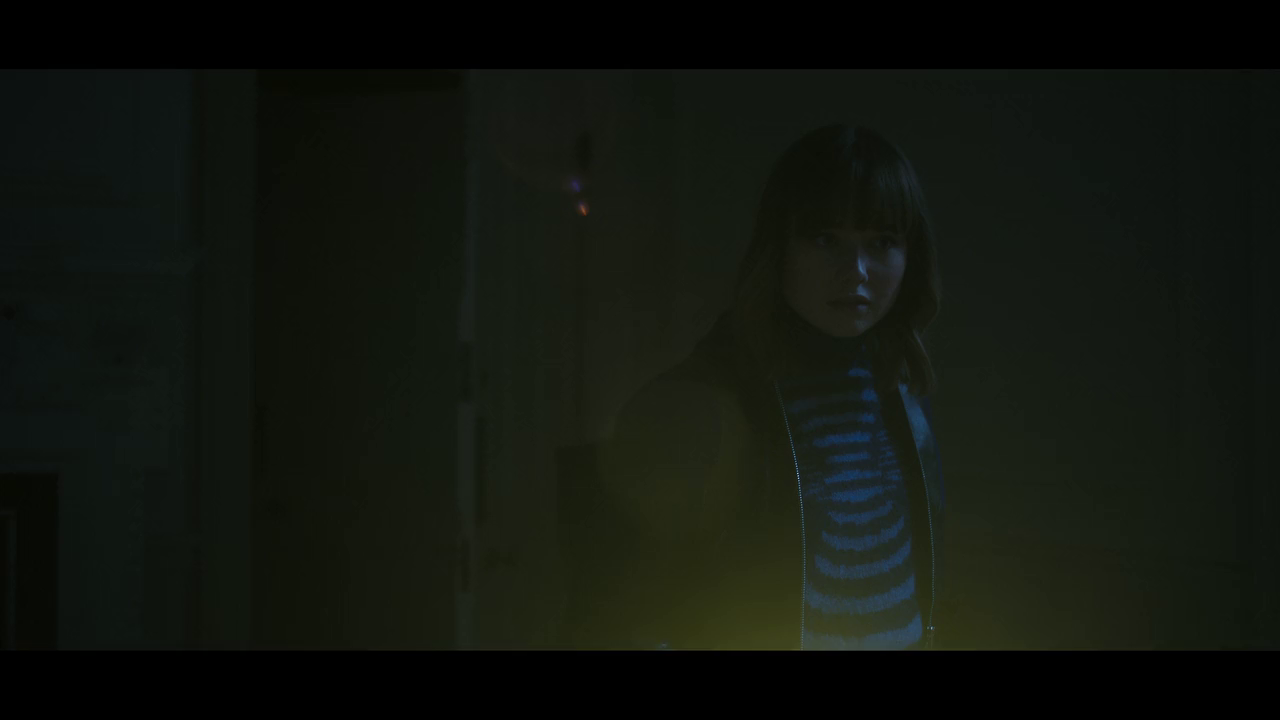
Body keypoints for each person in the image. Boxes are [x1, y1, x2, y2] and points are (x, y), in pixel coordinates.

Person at [570, 124, 946, 650]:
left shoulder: (899, 395)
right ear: (780, 247)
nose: (856, 271)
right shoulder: (701, 407)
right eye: (825, 239)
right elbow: (635, 612)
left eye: (882, 242)